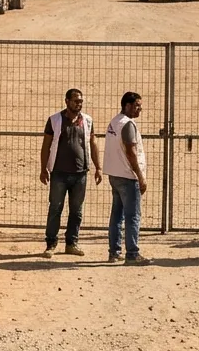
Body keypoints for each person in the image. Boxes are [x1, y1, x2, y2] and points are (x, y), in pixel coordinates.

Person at [40, 89, 102, 257]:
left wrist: (98, 167)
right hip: (59, 173)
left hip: (80, 174)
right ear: (66, 101)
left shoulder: (87, 121)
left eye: (80, 101)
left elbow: (93, 143)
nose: (78, 104)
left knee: (77, 210)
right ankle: (51, 243)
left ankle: (71, 243)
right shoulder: (54, 120)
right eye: (75, 101)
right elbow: (46, 145)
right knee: (55, 208)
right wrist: (43, 168)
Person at [105, 92, 150, 265]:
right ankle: (132, 253)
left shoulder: (114, 121)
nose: (140, 108)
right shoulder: (128, 124)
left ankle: (114, 252)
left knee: (117, 215)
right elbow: (131, 152)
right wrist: (140, 176)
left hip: (115, 174)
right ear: (127, 105)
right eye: (137, 105)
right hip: (127, 176)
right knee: (133, 216)